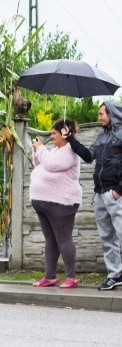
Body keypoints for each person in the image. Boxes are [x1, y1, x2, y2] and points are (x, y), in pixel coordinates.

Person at [64, 102, 122, 291]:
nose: (99, 117)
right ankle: (115, 275)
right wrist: (71, 139)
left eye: (101, 114)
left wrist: (119, 190)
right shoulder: (101, 137)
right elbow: (88, 156)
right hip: (100, 194)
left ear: (111, 114)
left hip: (116, 195)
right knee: (107, 238)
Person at [29, 118, 82, 289]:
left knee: (63, 239)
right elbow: (39, 164)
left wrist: (41, 149)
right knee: (50, 240)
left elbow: (51, 165)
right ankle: (49, 276)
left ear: (64, 134)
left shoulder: (69, 151)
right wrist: (36, 151)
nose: (51, 136)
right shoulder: (55, 150)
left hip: (62, 202)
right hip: (44, 202)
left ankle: (71, 277)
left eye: (54, 133)